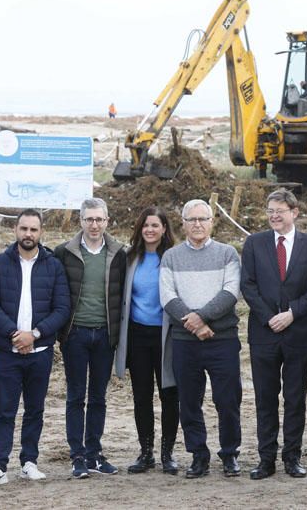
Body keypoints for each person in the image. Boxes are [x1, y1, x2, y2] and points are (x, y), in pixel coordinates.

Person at [0, 209, 70, 488]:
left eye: (33, 229)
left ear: (41, 232)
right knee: (5, 411)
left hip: (40, 353)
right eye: (24, 229)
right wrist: (13, 334)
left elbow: (62, 307)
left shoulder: (53, 266)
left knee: (35, 410)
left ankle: (29, 462)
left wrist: (34, 334)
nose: (28, 234)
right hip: (7, 352)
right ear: (15, 230)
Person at [240, 189, 307, 480]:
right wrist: (270, 317)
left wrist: (292, 313)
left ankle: (292, 457)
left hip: (298, 332)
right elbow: (248, 286)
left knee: (295, 397)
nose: (274, 216)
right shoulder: (254, 243)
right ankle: (266, 459)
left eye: (280, 210)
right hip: (264, 333)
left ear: (294, 212)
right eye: (270, 211)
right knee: (265, 398)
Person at [159, 199, 242, 479]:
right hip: (185, 341)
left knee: (228, 400)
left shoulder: (227, 253)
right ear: (182, 223)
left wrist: (202, 318)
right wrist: (195, 325)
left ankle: (230, 454)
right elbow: (167, 296)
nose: (197, 224)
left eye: (202, 219)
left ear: (212, 221)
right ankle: (198, 456)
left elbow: (231, 292)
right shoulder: (170, 257)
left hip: (223, 339)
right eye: (191, 219)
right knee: (189, 402)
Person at [54, 198, 127, 478]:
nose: (94, 225)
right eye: (89, 220)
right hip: (76, 335)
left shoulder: (119, 253)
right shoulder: (65, 253)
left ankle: (94, 453)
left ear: (107, 221)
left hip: (105, 336)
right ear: (80, 221)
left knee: (98, 397)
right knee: (76, 396)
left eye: (99, 219)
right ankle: (77, 456)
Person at [115, 206, 180, 475]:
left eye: (155, 225)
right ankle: (146, 452)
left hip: (167, 336)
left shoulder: (174, 258)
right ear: (140, 229)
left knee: (169, 394)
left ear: (165, 229)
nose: (150, 230)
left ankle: (167, 453)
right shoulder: (130, 258)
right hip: (138, 335)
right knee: (142, 396)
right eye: (146, 225)